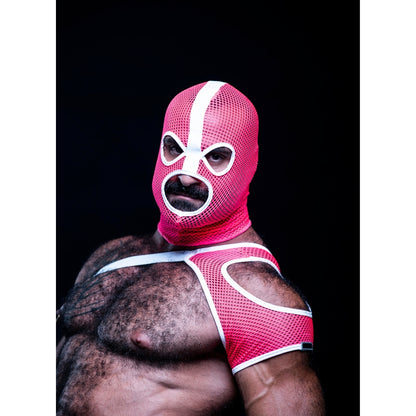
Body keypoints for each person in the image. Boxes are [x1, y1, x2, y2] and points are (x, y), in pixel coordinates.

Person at [56, 81, 325, 415]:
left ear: (247, 166)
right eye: (175, 149)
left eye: (216, 157)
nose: (186, 176)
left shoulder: (254, 294)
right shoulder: (112, 255)